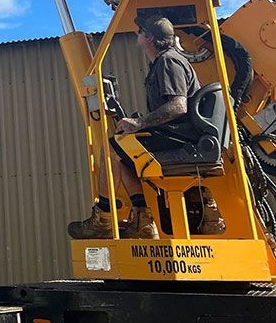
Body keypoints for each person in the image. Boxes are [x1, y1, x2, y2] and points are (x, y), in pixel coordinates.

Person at [67, 15, 225, 240]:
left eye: (139, 31)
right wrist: (137, 123)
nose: (136, 34)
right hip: (180, 135)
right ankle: (142, 219)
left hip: (181, 139)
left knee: (113, 149)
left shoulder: (168, 61)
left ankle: (103, 218)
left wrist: (140, 123)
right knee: (123, 151)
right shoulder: (165, 62)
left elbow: (179, 105)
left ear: (149, 37)